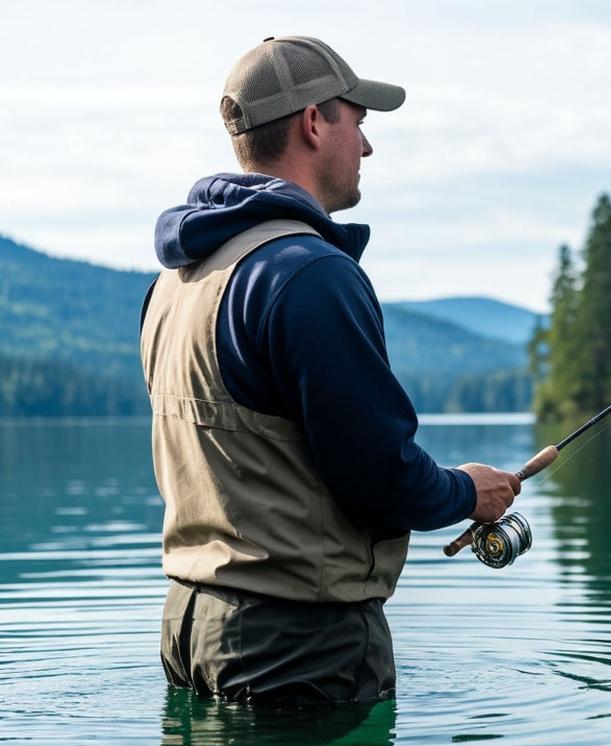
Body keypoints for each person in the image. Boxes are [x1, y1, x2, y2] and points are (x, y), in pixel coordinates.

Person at [140, 35, 521, 706]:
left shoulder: (176, 281)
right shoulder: (311, 274)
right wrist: (467, 492)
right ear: (315, 123)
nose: (368, 147)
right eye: (358, 121)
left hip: (189, 627)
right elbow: (378, 474)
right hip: (298, 644)